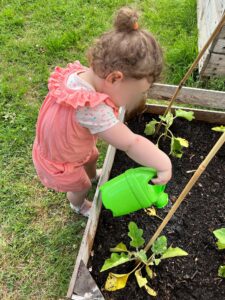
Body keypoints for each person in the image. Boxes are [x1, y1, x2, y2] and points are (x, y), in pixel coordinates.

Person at [32, 7, 172, 217]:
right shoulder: (93, 110)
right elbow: (130, 142)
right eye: (134, 93)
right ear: (114, 78)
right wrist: (163, 163)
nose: (133, 99)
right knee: (80, 185)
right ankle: (78, 204)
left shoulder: (77, 77)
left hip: (63, 143)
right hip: (62, 160)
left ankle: (93, 174)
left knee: (91, 155)